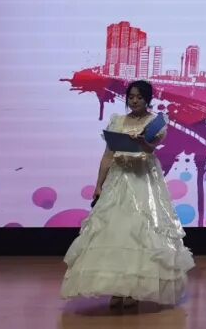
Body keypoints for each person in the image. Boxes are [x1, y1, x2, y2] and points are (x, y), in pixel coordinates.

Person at [61, 80, 194, 310]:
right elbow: (108, 155)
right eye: (131, 97)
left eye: (139, 97)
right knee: (113, 232)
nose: (134, 101)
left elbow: (151, 149)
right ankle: (116, 288)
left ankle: (134, 289)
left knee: (139, 233)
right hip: (118, 181)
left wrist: (143, 142)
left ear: (147, 99)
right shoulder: (117, 121)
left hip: (143, 182)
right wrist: (99, 185)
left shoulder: (156, 122)